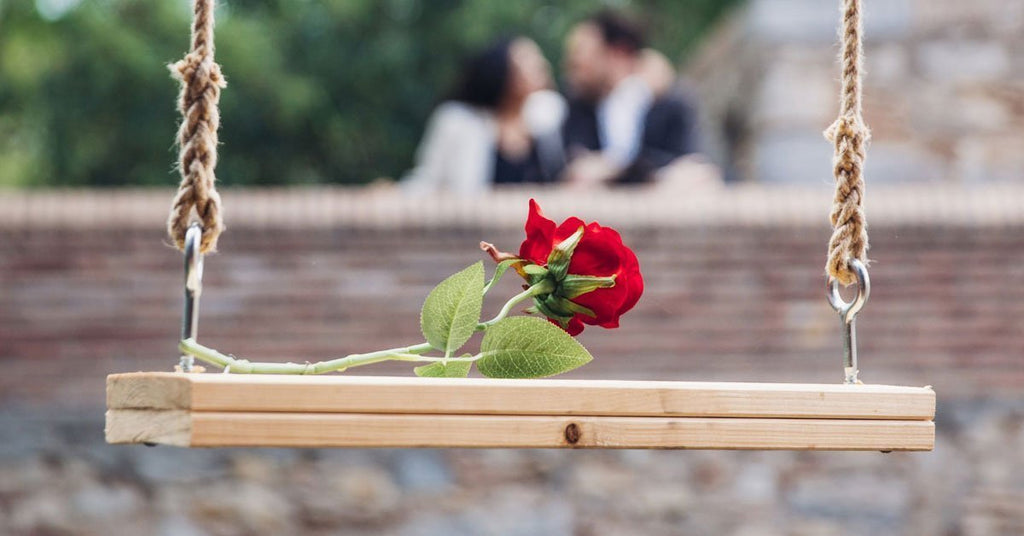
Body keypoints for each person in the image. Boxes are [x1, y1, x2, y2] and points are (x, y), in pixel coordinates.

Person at [560, 10, 705, 186]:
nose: (573, 61)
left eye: (581, 51)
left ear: (618, 53)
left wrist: (613, 167)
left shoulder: (671, 104)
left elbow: (695, 166)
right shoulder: (578, 109)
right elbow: (573, 168)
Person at [402, 38, 565, 194]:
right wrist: (398, 193)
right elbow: (428, 179)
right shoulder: (459, 122)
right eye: (529, 62)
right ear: (503, 71)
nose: (542, 66)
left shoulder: (548, 119)